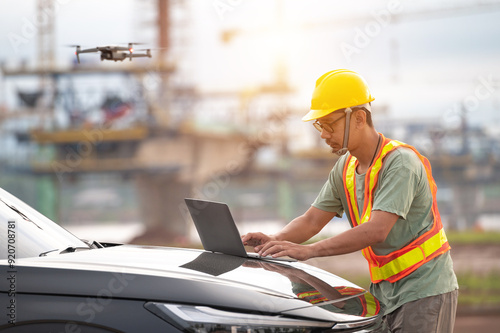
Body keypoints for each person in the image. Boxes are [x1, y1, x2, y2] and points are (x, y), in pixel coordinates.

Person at [242, 69, 459, 333]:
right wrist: (275, 241)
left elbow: (377, 230)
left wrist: (310, 251)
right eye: (319, 125)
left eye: (329, 124)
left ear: (358, 118)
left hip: (425, 289)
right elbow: (311, 221)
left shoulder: (400, 163)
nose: (323, 134)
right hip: (384, 291)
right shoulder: (345, 167)